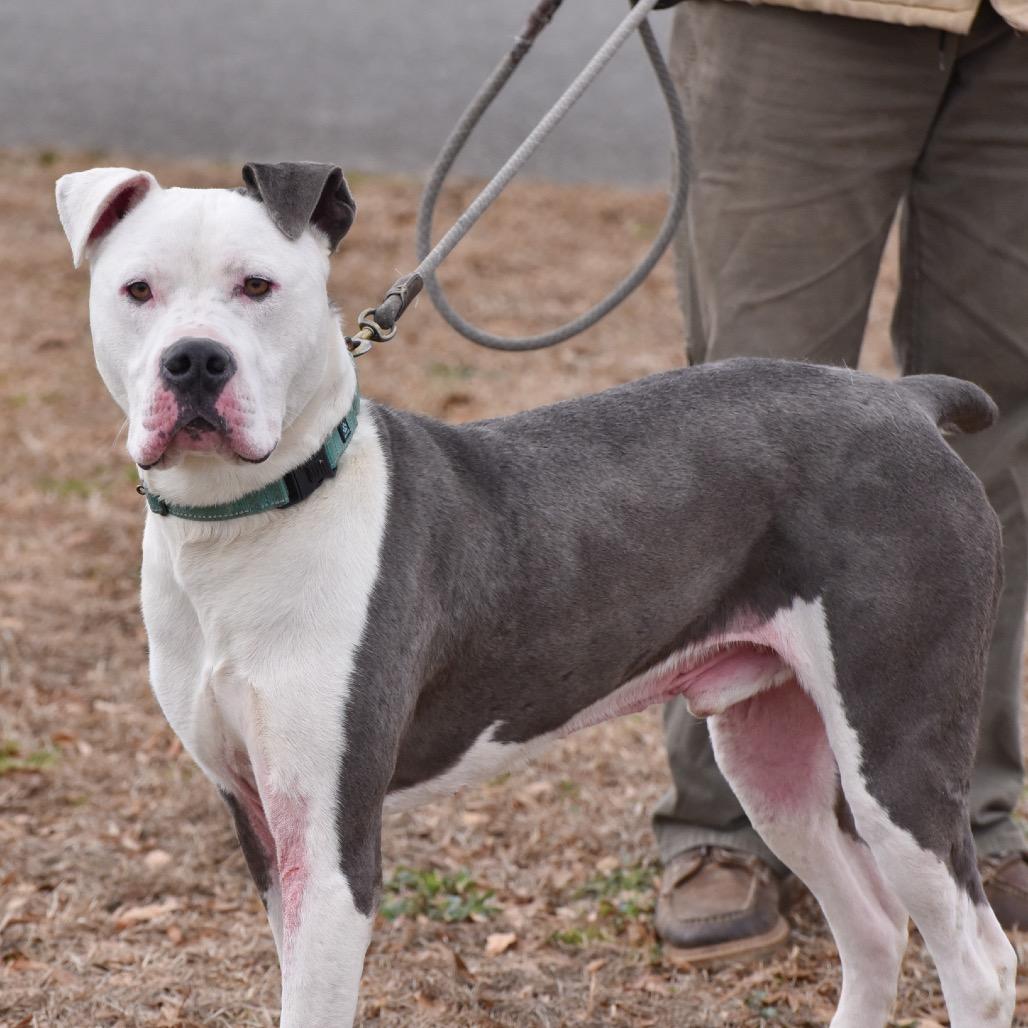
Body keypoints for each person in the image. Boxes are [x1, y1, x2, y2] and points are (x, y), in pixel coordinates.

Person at [649, 0, 1028, 964]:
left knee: (990, 425)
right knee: (745, 431)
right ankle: (721, 827)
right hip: (800, 16)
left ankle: (960, 816)